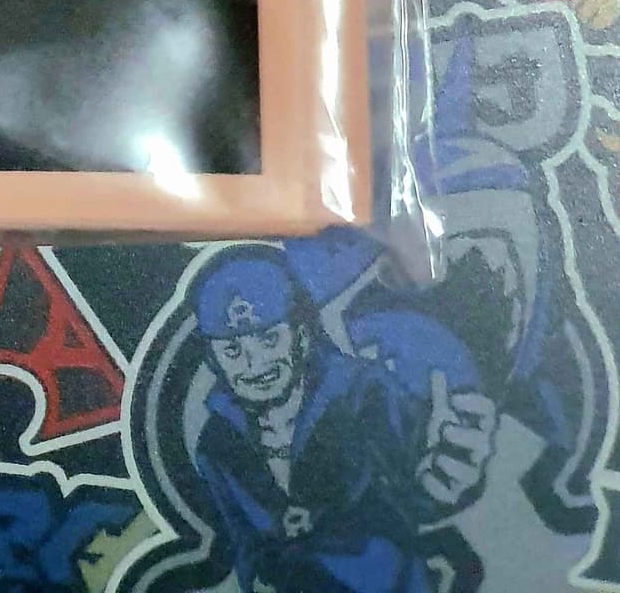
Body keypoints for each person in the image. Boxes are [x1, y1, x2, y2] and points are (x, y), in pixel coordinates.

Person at [189, 251, 495, 593]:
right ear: (214, 360)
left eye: (269, 339)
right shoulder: (215, 445)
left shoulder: (365, 393)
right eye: (232, 351)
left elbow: (418, 487)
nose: (254, 363)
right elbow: (243, 544)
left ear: (300, 337)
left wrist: (445, 468)